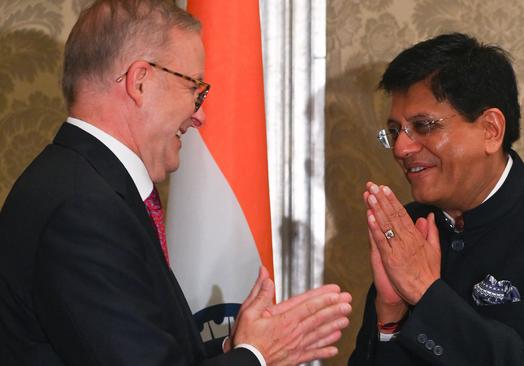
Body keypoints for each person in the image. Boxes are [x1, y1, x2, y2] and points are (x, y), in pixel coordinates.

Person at [0, 1, 352, 365]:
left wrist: (233, 350)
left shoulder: (86, 185)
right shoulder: (84, 208)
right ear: (140, 81)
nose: (200, 115)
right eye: (194, 89)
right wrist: (256, 356)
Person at [349, 33, 524, 365]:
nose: (401, 149)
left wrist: (427, 294)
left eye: (423, 126)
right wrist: (391, 315)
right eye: (395, 130)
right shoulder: (408, 226)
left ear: (490, 130)